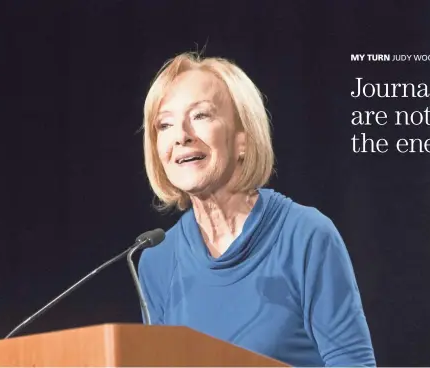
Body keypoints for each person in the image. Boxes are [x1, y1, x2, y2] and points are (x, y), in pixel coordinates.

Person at [138, 52, 376, 367]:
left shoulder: (305, 235)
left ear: (243, 139)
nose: (181, 135)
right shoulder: (156, 260)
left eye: (201, 116)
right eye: (164, 124)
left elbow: (352, 362)